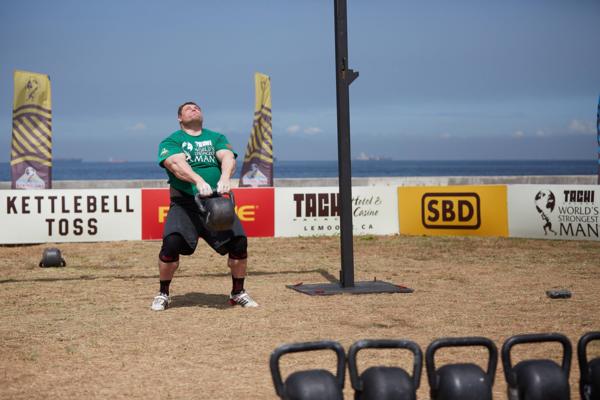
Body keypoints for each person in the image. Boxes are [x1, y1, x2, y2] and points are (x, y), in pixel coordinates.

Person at [151, 101, 258, 311]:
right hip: (185, 204)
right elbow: (176, 164)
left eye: (197, 107)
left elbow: (227, 157)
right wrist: (198, 181)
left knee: (239, 243)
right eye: (188, 108)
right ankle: (163, 293)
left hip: (216, 202)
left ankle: (238, 293)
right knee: (170, 246)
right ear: (180, 118)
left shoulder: (216, 137)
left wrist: (225, 177)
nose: (194, 109)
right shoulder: (172, 140)